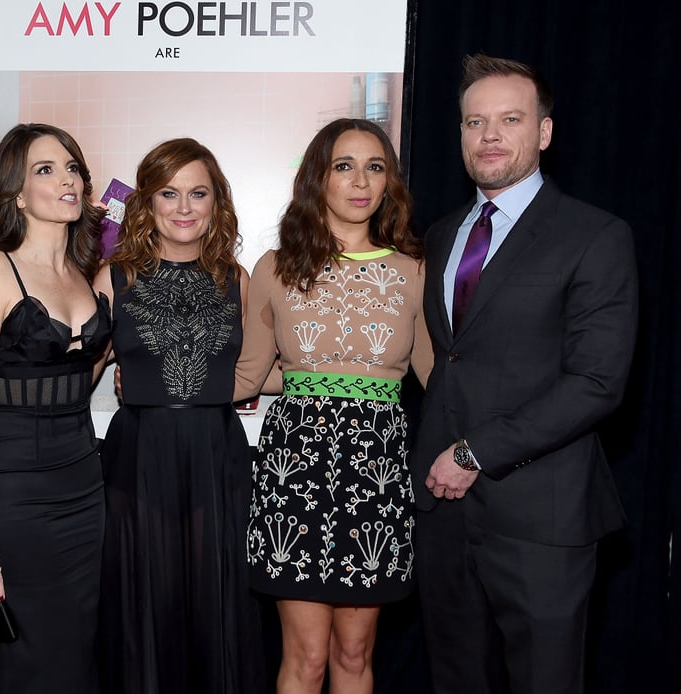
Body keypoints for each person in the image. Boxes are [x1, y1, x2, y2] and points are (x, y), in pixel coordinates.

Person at [412, 54, 638, 694]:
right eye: (474, 121)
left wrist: (476, 451)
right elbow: (450, 362)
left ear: (542, 132)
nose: (488, 136)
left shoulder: (595, 235)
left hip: (544, 516)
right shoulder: (441, 235)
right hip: (443, 513)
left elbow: (597, 382)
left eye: (509, 119)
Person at [235, 118, 433, 694]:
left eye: (375, 167)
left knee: (353, 654)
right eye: (343, 166)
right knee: (307, 657)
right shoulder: (277, 267)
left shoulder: (413, 271)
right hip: (295, 473)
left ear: (389, 181)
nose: (360, 181)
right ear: (317, 178)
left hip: (376, 475)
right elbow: (251, 373)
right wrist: (158, 380)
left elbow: (437, 378)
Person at [95, 138, 265, 693]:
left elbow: (264, 367)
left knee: (216, 599)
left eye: (198, 193)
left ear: (218, 202)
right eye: (169, 193)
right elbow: (76, 367)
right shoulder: (114, 277)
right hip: (139, 453)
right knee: (146, 597)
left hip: (216, 454)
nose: (184, 207)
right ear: (146, 203)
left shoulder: (236, 280)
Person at [0, 123, 109, 693]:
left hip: (85, 488)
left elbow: (78, 376)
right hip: (16, 492)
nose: (66, 179)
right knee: (31, 655)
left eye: (72, 168)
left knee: (77, 645)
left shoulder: (84, 276)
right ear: (16, 192)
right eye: (45, 170)